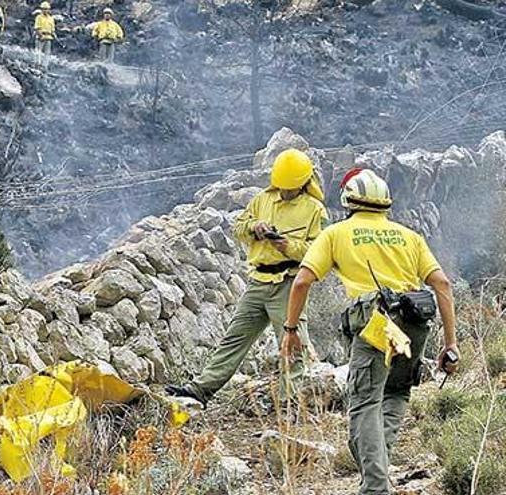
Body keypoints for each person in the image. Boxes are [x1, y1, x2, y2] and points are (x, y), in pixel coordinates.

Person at [282, 168, 459, 495]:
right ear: (385, 203)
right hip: (414, 325)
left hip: (376, 325)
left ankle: (375, 488)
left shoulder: (337, 233)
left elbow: (303, 280)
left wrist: (291, 329)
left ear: (349, 201)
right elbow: (442, 284)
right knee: (394, 394)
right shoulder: (409, 236)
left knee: (363, 404)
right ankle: (376, 473)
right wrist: (450, 343)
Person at [165, 149, 328, 403]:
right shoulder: (262, 200)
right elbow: (238, 227)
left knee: (292, 346)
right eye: (282, 187)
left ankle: (289, 405)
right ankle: (200, 390)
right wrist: (255, 227)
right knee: (234, 338)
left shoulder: (315, 210)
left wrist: (289, 246)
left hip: (287, 283)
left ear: (304, 183)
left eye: (290, 188)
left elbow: (321, 251)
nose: (285, 192)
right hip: (258, 282)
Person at [34, 2, 56, 70]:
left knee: (47, 53)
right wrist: (41, 36)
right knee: (38, 52)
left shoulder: (51, 18)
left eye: (47, 9)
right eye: (44, 9)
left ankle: (45, 67)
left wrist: (53, 34)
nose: (45, 10)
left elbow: (52, 29)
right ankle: (37, 66)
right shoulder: (39, 17)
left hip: (48, 37)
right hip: (40, 37)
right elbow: (37, 28)